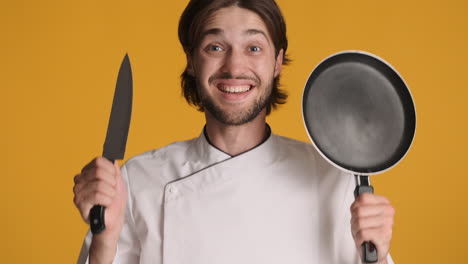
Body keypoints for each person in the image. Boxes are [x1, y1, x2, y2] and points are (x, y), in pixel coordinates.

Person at [73, 0, 395, 263]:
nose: (234, 67)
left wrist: (377, 257)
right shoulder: (138, 179)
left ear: (277, 62)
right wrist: (105, 240)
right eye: (215, 47)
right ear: (191, 60)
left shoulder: (332, 179)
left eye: (253, 48)